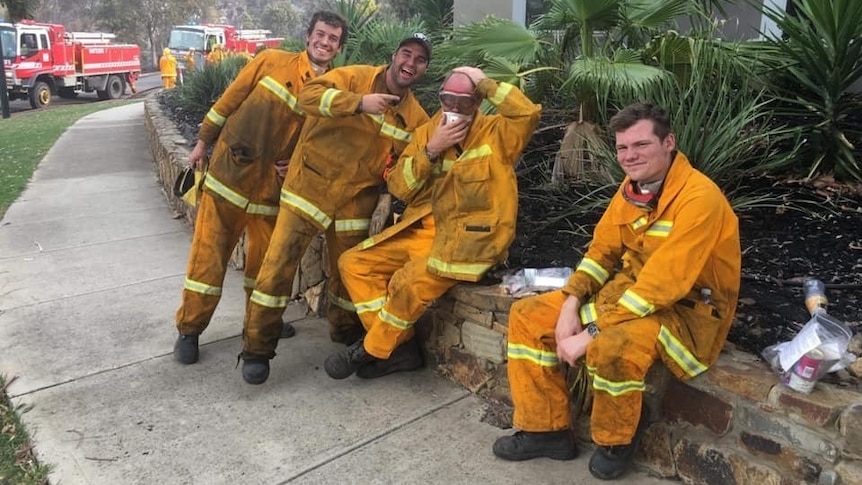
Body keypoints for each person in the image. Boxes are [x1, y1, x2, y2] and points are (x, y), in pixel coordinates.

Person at [492, 102, 741, 480]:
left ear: (669, 142)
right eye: (623, 148)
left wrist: (591, 332)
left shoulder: (699, 199)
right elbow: (602, 251)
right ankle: (546, 430)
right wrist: (570, 305)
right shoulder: (632, 189)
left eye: (641, 145)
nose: (630, 156)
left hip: (686, 312)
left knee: (612, 346)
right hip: (630, 296)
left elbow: (661, 287)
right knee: (527, 316)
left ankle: (616, 439)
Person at [323, 66, 542, 380]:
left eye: (462, 102)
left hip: (470, 241)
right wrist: (431, 150)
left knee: (408, 281)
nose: (452, 108)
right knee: (354, 263)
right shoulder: (427, 132)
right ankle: (400, 348)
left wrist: (486, 82)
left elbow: (526, 114)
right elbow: (399, 186)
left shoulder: (498, 133)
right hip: (424, 230)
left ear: (478, 103)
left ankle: (370, 350)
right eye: (445, 99)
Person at [239, 33, 433, 385]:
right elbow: (308, 96)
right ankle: (256, 348)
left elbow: (404, 166)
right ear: (394, 55)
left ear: (424, 69)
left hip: (356, 199)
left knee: (348, 274)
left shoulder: (416, 117)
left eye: (420, 59)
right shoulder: (354, 77)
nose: (410, 63)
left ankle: (344, 330)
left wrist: (389, 192)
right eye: (406, 53)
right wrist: (359, 102)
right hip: (310, 188)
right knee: (277, 267)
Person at [172, 11, 349, 366]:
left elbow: (320, 142)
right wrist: (203, 141)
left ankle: (260, 324)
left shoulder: (333, 90)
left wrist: (296, 159)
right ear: (308, 35)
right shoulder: (271, 62)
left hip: (273, 194)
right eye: (320, 34)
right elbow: (229, 100)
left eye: (333, 38)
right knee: (208, 259)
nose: (325, 42)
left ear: (339, 47)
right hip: (229, 179)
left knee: (264, 269)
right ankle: (189, 331)